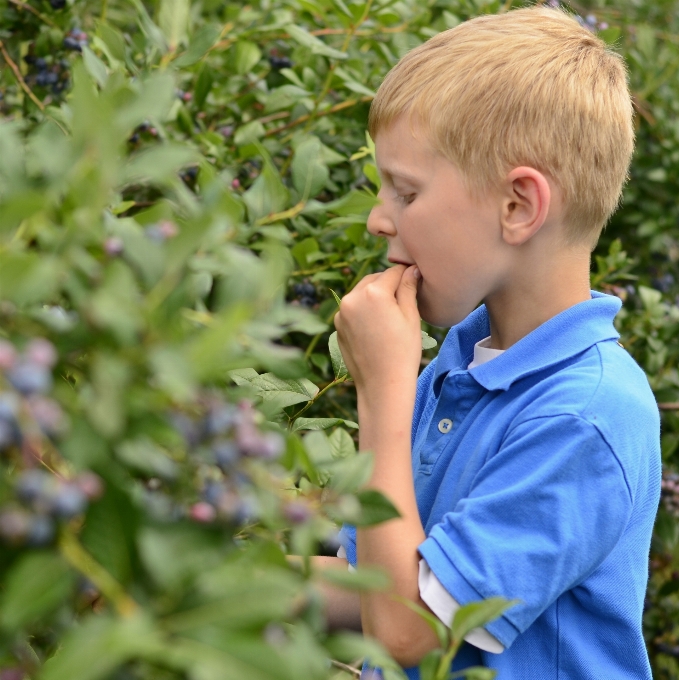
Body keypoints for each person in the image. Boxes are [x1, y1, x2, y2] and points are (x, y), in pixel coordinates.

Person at [314, 6, 662, 679]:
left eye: (405, 191)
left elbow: (407, 627)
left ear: (517, 207)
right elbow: (372, 581)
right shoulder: (463, 363)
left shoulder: (585, 415)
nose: (376, 218)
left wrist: (382, 390)